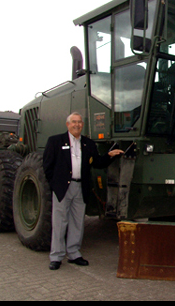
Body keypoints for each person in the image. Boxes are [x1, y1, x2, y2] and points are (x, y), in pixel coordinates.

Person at [43, 112, 124, 270]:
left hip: (81, 187)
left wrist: (110, 156)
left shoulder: (88, 143)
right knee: (59, 222)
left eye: (79, 122)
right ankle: (56, 256)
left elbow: (98, 163)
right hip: (62, 188)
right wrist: (55, 184)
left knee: (77, 222)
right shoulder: (55, 141)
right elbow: (47, 165)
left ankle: (73, 253)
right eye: (74, 122)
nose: (77, 125)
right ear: (68, 124)